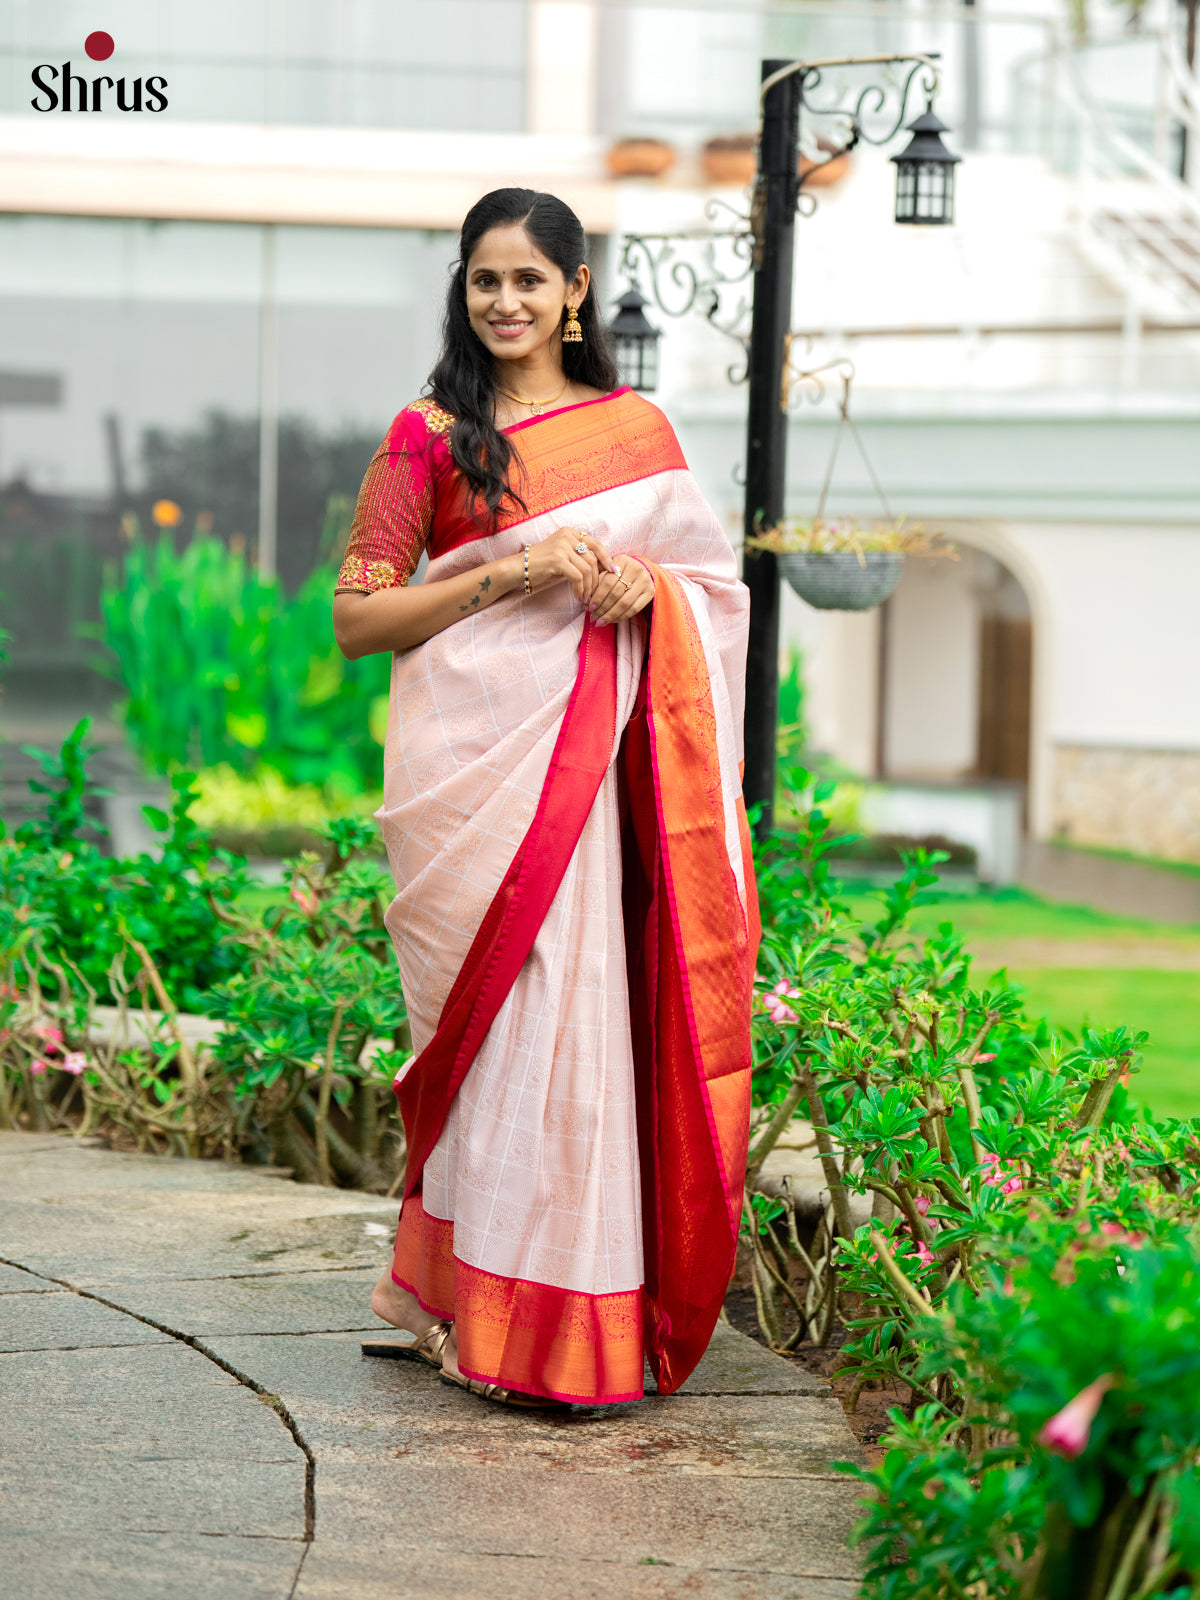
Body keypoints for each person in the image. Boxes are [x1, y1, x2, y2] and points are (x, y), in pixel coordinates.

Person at [332, 187, 758, 1409]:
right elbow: (361, 617)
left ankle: (572, 1327)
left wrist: (645, 594)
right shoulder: (429, 435)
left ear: (577, 289)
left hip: (604, 787)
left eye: (529, 279)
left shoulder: (640, 430)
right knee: (507, 1031)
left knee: (588, 1036)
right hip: (484, 786)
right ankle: (481, 1308)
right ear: (462, 293)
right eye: (484, 280)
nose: (506, 302)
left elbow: (709, 595)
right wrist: (512, 575)